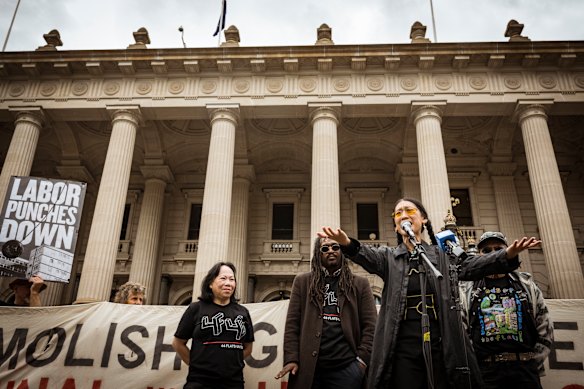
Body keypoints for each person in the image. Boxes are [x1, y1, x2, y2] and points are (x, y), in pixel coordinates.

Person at [319, 197, 541, 389]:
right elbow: (364, 254)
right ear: (396, 226)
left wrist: (507, 254)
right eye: (398, 213)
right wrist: (346, 243)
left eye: (409, 211)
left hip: (441, 341)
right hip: (402, 343)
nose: (403, 215)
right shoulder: (388, 257)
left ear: (423, 220)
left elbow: (474, 266)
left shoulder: (443, 256)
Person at [275, 237, 377, 388]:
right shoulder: (303, 282)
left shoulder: (360, 284)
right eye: (325, 248)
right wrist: (291, 359)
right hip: (310, 370)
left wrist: (361, 362)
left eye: (335, 247)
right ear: (318, 253)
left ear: (342, 251)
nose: (330, 251)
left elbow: (371, 326)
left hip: (347, 369)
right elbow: (292, 325)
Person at [460, 231, 553, 389]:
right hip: (485, 374)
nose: (493, 253)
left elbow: (544, 326)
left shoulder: (526, 284)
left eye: (498, 249)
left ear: (507, 251)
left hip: (525, 372)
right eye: (487, 251)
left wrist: (530, 362)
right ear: (479, 254)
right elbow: (461, 331)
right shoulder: (466, 288)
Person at [172, 262, 254, 389]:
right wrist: (196, 365)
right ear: (210, 283)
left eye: (232, 279)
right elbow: (178, 343)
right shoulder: (196, 308)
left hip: (234, 383)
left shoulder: (243, 312)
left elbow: (248, 347)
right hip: (200, 383)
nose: (228, 283)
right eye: (223, 278)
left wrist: (231, 362)